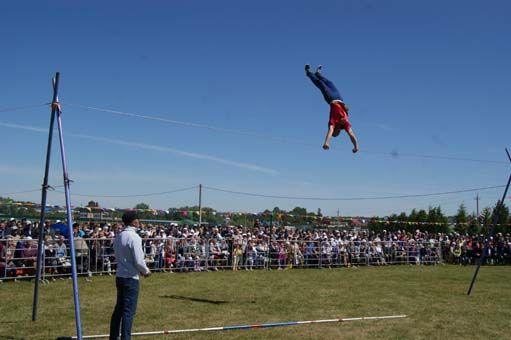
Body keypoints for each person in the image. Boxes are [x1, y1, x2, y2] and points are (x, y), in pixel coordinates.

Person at [110, 211, 151, 340]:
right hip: (130, 277)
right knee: (128, 312)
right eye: (138, 220)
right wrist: (145, 271)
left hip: (120, 275)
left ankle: (114, 336)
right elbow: (139, 260)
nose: (139, 222)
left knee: (119, 310)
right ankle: (126, 338)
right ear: (134, 222)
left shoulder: (119, 236)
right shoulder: (134, 237)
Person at [305, 64, 359, 152]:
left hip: (330, 98)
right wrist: (356, 146)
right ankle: (318, 74)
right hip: (339, 98)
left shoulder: (332, 123)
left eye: (334, 132)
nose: (336, 131)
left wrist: (327, 143)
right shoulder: (345, 125)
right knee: (330, 83)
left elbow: (330, 131)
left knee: (320, 84)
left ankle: (308, 72)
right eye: (337, 133)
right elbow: (351, 134)